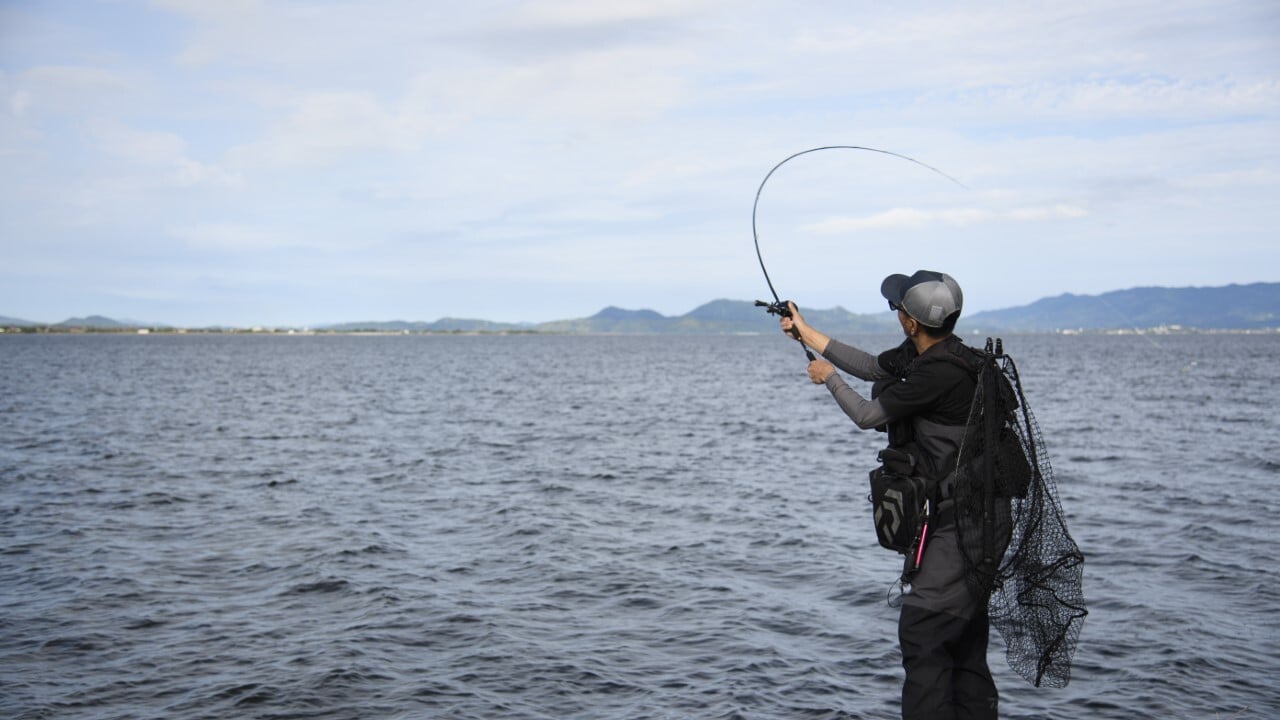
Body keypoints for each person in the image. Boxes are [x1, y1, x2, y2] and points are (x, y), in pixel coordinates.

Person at [779, 270, 1001, 720]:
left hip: (963, 523)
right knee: (963, 634)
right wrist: (803, 330)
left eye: (898, 308)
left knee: (924, 630)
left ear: (911, 323)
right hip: (983, 517)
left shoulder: (935, 375)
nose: (897, 314)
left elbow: (867, 413)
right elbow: (870, 366)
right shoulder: (948, 357)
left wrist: (828, 379)